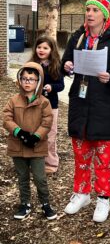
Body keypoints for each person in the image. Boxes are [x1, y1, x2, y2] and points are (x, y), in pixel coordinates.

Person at [61, 0, 110, 223]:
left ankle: (103, 198)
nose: (89, 14)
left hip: (104, 106)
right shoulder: (77, 37)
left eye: (94, 10)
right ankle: (81, 193)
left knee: (103, 158)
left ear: (104, 15)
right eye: (87, 9)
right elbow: (64, 64)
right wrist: (67, 65)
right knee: (81, 154)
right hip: (80, 104)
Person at [3, 62, 57, 220]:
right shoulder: (13, 100)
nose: (27, 82)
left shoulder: (44, 102)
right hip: (17, 145)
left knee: (40, 177)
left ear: (38, 82)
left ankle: (45, 204)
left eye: (31, 79)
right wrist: (19, 132)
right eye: (24, 78)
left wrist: (36, 136)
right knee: (22, 176)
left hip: (36, 146)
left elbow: (47, 121)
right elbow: (6, 118)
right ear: (20, 80)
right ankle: (25, 204)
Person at [30, 35, 64, 174]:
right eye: (39, 47)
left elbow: (60, 85)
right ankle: (36, 161)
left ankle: (51, 163)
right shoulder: (32, 65)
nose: (41, 50)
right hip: (33, 104)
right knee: (35, 133)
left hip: (51, 105)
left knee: (50, 134)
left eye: (45, 48)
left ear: (51, 50)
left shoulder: (55, 66)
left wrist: (51, 87)